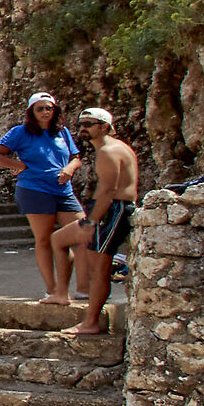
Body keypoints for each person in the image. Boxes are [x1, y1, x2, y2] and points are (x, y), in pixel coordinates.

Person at [0, 91, 84, 304]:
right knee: (43, 239)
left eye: (49, 108)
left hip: (63, 190)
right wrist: (17, 165)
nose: (45, 112)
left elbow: (76, 157)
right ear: (32, 111)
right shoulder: (20, 132)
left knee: (82, 232)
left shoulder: (62, 132)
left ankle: (76, 286)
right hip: (34, 189)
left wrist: (69, 168)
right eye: (40, 108)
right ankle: (53, 289)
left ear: (55, 110)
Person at [57, 106, 139, 336]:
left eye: (89, 124)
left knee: (100, 269)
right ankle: (87, 317)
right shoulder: (110, 149)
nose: (83, 129)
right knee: (86, 260)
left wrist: (91, 223)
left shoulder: (108, 151)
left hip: (114, 210)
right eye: (81, 124)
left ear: (104, 127)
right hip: (110, 209)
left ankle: (92, 322)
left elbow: (108, 191)